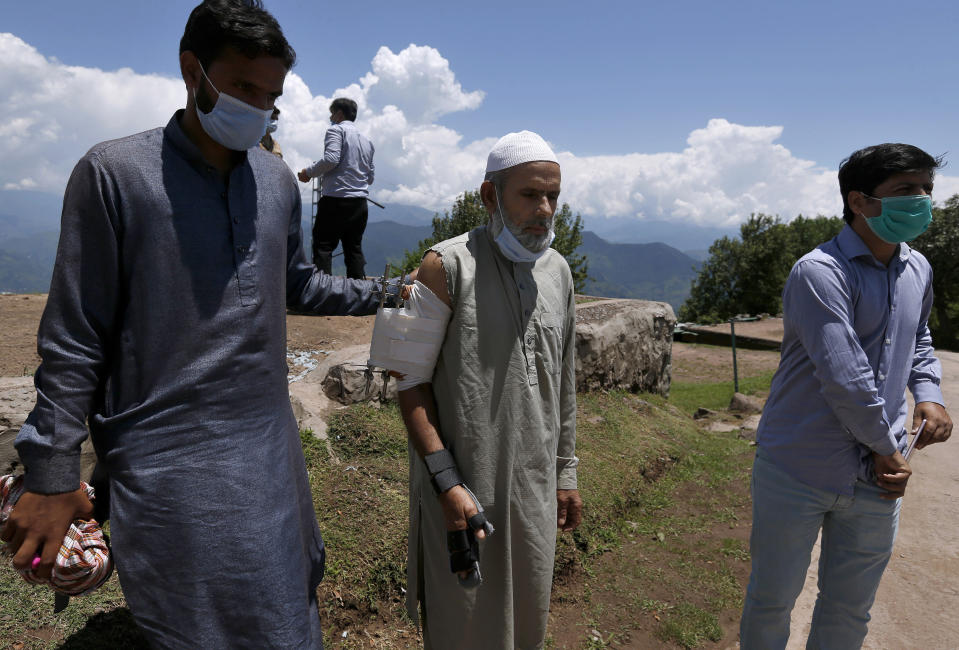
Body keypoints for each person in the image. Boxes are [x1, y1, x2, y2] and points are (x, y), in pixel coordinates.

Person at [0, 1, 388, 646]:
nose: (258, 108)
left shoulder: (276, 182)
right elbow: (75, 337)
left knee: (291, 603)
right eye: (242, 87)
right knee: (200, 625)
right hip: (166, 457)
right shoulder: (115, 174)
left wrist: (391, 290)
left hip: (267, 444)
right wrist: (52, 472)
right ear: (192, 69)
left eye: (272, 97)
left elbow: (295, 282)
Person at [739, 143, 953, 649]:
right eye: (905, 190)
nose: (921, 201)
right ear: (859, 201)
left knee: (850, 609)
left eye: (927, 189)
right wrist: (886, 450)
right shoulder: (821, 272)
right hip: (799, 467)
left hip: (876, 480)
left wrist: (929, 393)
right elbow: (846, 377)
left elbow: (919, 336)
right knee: (773, 599)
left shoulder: (917, 269)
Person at [379, 131, 582, 649]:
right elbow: (408, 381)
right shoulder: (444, 268)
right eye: (530, 195)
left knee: (527, 622)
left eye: (553, 196)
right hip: (464, 493)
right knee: (463, 625)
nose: (544, 209)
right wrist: (446, 482)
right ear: (490, 196)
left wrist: (566, 471)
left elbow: (562, 382)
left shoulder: (557, 272)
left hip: (534, 493)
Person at [297, 98, 375, 279]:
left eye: (332, 113)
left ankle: (324, 296)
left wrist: (308, 172)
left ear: (339, 113)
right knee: (353, 249)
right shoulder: (367, 140)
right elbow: (370, 177)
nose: (331, 117)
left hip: (335, 200)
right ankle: (359, 296)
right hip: (360, 203)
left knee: (323, 247)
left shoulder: (336, 130)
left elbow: (331, 159)